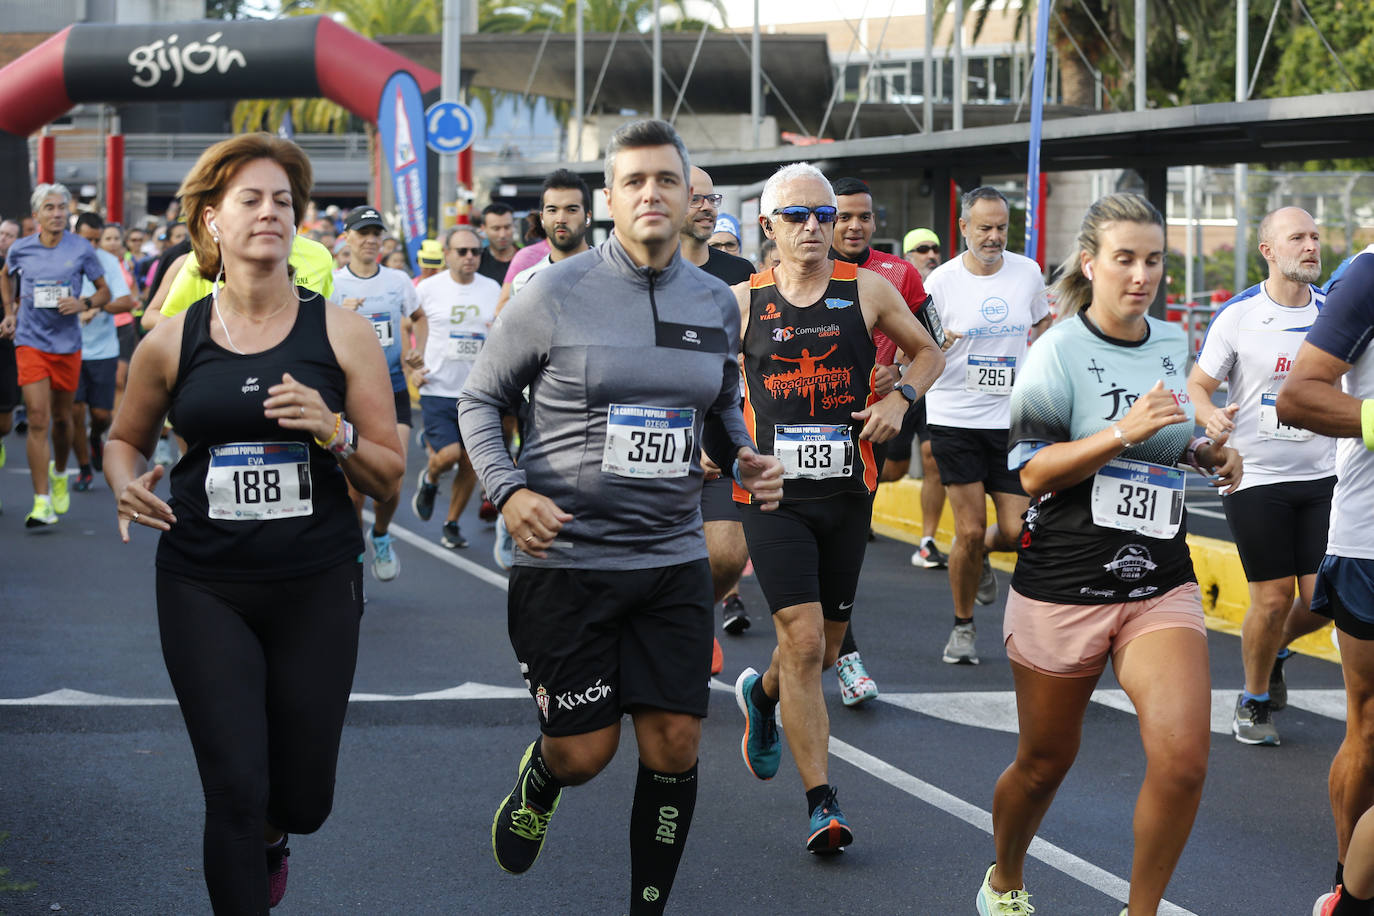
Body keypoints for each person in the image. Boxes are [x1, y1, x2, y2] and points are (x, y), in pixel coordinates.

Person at [458, 118, 783, 915]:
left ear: (687, 197)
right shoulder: (553, 294)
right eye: (634, 181)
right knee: (584, 753)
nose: (650, 194)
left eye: (665, 181)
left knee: (673, 744)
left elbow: (719, 402)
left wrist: (743, 453)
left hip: (669, 557)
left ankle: (648, 907)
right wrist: (509, 488)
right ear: (611, 199)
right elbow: (480, 399)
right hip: (566, 561)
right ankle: (541, 780)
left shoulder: (714, 301)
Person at [102, 133, 404, 914]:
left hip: (317, 582)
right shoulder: (171, 339)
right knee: (234, 792)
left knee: (301, 801)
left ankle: (280, 839)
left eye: (283, 201)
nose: (271, 212)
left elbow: (387, 468)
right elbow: (123, 439)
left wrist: (332, 429)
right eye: (251, 199)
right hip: (205, 582)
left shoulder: (341, 331)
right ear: (210, 221)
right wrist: (122, 481)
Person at [977, 192, 1239, 916]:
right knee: (1044, 763)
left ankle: (1141, 911)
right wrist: (1120, 433)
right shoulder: (1056, 350)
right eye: (1125, 258)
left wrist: (1202, 452)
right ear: (1090, 263)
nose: (1141, 274)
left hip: (1158, 578)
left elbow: (1163, 439)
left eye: (1153, 260)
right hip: (1064, 582)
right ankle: (1004, 876)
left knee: (1184, 762)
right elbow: (1030, 471)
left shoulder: (1170, 339)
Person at [732, 162, 943, 853]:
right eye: (798, 216)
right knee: (801, 641)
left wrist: (898, 396)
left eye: (823, 215)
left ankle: (762, 699)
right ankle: (822, 802)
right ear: (769, 226)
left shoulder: (868, 290)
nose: (815, 228)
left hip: (849, 493)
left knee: (818, 654)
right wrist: (721, 446)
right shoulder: (742, 302)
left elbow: (929, 356)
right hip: (773, 496)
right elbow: (706, 384)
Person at [1187, 206, 1336, 747]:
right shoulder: (1240, 315)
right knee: (1272, 598)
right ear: (1268, 250)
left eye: (1316, 237)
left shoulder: (1333, 313)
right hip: (1255, 475)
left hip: (1323, 474)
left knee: (1326, 599)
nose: (1312, 245)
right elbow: (1198, 385)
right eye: (1298, 237)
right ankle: (1253, 700)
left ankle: (1272, 650)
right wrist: (1210, 416)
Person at [1276, 239, 1374, 909]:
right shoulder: (1370, 273)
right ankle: (1349, 886)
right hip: (1372, 544)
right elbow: (1298, 395)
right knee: (1368, 727)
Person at [923, 186, 1052, 665]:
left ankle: (976, 564)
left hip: (1012, 417)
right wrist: (944, 341)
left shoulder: (1028, 273)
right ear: (964, 229)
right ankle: (963, 626)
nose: (994, 236)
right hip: (955, 414)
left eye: (1001, 228)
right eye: (985, 228)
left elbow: (1040, 329)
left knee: (1019, 531)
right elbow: (919, 344)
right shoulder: (940, 281)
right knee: (971, 530)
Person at [825, 175, 940, 705]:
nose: (853, 226)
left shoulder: (898, 274)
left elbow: (930, 348)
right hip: (798, 429)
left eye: (863, 217)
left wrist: (901, 388)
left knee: (843, 554)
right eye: (841, 215)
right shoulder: (793, 270)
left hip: (868, 430)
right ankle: (843, 656)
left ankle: (826, 650)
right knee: (809, 556)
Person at [0, 184, 111, 527]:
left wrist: (84, 303)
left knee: (63, 421)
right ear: (37, 215)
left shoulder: (81, 249)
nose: (58, 213)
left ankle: (61, 471)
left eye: (62, 207)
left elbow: (104, 291)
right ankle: (42, 502)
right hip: (30, 341)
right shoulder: (20, 249)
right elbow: (4, 275)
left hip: (67, 345)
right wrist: (10, 312)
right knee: (37, 417)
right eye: (50, 208)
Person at [680, 167, 757, 639]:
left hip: (720, 434)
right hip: (655, 437)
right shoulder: (643, 270)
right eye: (696, 199)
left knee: (729, 555)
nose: (708, 207)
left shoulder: (740, 274)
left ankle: (687, 625)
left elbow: (748, 364)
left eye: (712, 199)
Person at [333, 205, 421, 582]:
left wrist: (419, 351)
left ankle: (381, 535)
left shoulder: (398, 281)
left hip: (392, 388)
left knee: (392, 479)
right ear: (347, 238)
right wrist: (340, 312)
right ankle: (354, 553)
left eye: (376, 233)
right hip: (349, 392)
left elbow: (418, 317)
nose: (371, 240)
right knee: (355, 491)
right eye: (363, 233)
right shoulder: (333, 284)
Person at [410, 225, 500, 548]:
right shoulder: (428, 289)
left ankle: (451, 523)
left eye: (476, 251)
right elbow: (409, 326)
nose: (469, 257)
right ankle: (431, 477)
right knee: (447, 455)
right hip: (438, 388)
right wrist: (413, 365)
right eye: (462, 251)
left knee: (471, 462)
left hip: (478, 393)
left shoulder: (492, 288)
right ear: (446, 254)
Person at [70, 212, 137, 491]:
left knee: (101, 415)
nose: (93, 246)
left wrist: (92, 305)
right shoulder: (63, 260)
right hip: (68, 349)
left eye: (97, 240)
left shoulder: (108, 262)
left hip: (103, 350)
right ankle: (84, 469)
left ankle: (95, 437)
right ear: (76, 236)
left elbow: (127, 302)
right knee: (73, 413)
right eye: (88, 240)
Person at [478, 203, 519, 285]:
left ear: (514, 226)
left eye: (507, 227)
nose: (502, 235)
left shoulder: (528, 258)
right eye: (496, 229)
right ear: (483, 229)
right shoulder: (477, 261)